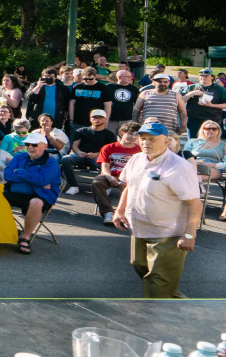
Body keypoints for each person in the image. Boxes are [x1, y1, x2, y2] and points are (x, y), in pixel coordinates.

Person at [114, 121, 201, 298]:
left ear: (166, 141)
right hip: (139, 227)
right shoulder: (136, 159)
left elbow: (194, 203)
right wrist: (119, 210)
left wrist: (189, 235)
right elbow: (129, 186)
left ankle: (154, 321)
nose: (146, 142)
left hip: (167, 233)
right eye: (143, 138)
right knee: (139, 264)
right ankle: (175, 301)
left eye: (152, 139)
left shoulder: (179, 167)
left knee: (158, 280)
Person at [4, 132, 61, 254]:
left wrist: (19, 172)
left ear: (45, 146)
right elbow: (7, 175)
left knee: (36, 202)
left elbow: (42, 180)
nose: (30, 147)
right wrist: (34, 179)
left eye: (34, 144)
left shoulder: (51, 163)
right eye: (27, 144)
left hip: (41, 195)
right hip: (16, 192)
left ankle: (25, 237)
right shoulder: (19, 157)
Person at [92, 121, 144, 224]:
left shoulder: (141, 151)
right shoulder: (108, 148)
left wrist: (127, 179)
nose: (133, 137)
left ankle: (124, 213)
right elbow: (104, 167)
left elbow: (140, 170)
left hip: (129, 178)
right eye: (130, 133)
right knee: (97, 182)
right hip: (111, 175)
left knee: (135, 187)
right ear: (122, 132)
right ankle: (108, 213)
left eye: (136, 135)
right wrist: (109, 176)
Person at [60, 110, 117, 193]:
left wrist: (96, 154)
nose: (97, 120)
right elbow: (74, 145)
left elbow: (110, 150)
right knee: (66, 159)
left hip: (98, 157)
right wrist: (79, 152)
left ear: (105, 119)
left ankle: (104, 187)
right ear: (90, 119)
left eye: (100, 118)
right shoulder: (81, 131)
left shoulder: (110, 134)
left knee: (106, 164)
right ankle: (73, 186)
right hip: (81, 155)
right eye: (95, 117)